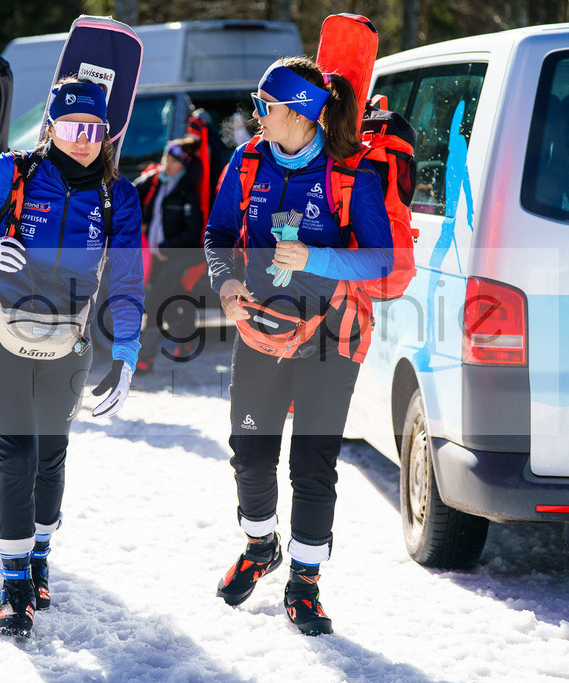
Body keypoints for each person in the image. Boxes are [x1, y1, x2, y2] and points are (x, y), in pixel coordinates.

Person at [0, 79, 144, 638]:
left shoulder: (117, 194)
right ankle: (14, 582)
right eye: (72, 128)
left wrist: (125, 352)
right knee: (15, 453)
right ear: (50, 128)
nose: (83, 140)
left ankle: (39, 553)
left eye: (94, 129)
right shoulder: (12, 172)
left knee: (51, 455)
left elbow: (124, 277)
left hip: (68, 338)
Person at [204, 56, 393, 636]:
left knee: (313, 464)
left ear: (300, 112)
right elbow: (215, 237)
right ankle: (261, 546)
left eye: (266, 106)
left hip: (332, 334)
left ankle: (305, 584)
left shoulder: (348, 175)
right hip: (262, 327)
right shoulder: (247, 160)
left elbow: (382, 257)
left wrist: (317, 257)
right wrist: (225, 280)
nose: (256, 115)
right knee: (251, 453)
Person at [133, 137, 204, 372]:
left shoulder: (187, 191)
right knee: (173, 303)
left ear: (184, 166)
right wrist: (140, 222)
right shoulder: (153, 181)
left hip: (176, 258)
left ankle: (145, 359)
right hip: (153, 258)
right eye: (167, 159)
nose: (169, 165)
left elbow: (193, 234)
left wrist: (165, 249)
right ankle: (187, 340)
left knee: (155, 305)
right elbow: (129, 196)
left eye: (175, 162)